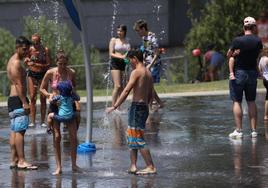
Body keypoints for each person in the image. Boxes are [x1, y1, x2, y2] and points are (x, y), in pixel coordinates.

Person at [106, 49, 157, 175]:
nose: (129, 63)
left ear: (134, 58)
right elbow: (151, 94)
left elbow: (126, 90)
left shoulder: (136, 72)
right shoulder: (148, 73)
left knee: (137, 137)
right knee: (132, 135)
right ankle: (133, 165)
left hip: (137, 107)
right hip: (143, 107)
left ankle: (150, 166)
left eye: (129, 60)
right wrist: (146, 107)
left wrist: (115, 106)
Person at [40, 50, 81, 175]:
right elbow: (41, 89)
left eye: (64, 64)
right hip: (55, 105)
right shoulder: (50, 72)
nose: (62, 66)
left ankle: (74, 165)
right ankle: (59, 167)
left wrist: (78, 105)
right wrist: (49, 95)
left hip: (69, 105)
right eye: (60, 64)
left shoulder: (71, 73)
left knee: (73, 137)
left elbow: (74, 90)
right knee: (57, 137)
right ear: (56, 62)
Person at [228, 16, 263, 138]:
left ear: (244, 27)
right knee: (251, 101)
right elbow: (257, 57)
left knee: (237, 101)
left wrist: (234, 53)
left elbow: (229, 55)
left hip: (239, 73)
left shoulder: (237, 40)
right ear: (254, 27)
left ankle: (239, 130)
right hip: (252, 73)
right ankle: (254, 131)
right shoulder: (258, 41)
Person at [7, 36, 38, 170]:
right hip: (18, 99)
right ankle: (22, 160)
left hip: (12, 99)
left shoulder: (14, 60)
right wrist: (25, 102)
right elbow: (18, 84)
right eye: (24, 49)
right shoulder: (16, 63)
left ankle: (14, 159)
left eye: (27, 49)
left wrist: (26, 62)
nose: (26, 52)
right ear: (17, 47)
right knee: (20, 131)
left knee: (14, 130)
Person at [133, 19, 164, 108]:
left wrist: (150, 65)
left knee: (148, 85)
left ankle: (150, 105)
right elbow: (146, 51)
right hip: (147, 64)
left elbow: (157, 53)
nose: (138, 33)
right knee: (148, 85)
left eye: (138, 31)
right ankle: (158, 103)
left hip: (154, 64)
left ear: (143, 29)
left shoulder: (152, 38)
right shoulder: (144, 38)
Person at [24, 33, 51, 127]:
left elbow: (48, 64)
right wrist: (27, 60)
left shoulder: (45, 50)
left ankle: (43, 121)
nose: (35, 44)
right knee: (32, 97)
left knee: (43, 98)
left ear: (40, 41)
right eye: (33, 42)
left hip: (43, 74)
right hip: (32, 74)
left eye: (37, 42)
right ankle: (33, 121)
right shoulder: (30, 49)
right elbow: (26, 58)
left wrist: (36, 65)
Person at [109, 24, 131, 111]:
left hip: (124, 64)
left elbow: (129, 53)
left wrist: (128, 59)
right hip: (115, 63)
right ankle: (113, 106)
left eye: (121, 31)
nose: (119, 32)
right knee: (117, 86)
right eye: (118, 31)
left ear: (124, 31)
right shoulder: (114, 40)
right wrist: (121, 57)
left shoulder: (127, 40)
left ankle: (119, 107)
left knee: (122, 88)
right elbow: (111, 53)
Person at [258, 48, 268, 120]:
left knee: (267, 98)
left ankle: (265, 115)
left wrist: (262, 76)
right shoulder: (267, 59)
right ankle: (266, 115)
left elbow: (259, 69)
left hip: (265, 80)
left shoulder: (261, 59)